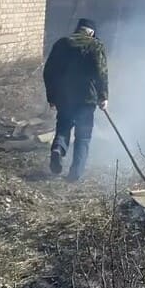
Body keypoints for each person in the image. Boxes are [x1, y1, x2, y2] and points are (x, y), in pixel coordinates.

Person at [42, 17, 109, 182]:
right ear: (91, 32)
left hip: (63, 96)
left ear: (78, 29)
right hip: (87, 99)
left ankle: (58, 149)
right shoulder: (95, 45)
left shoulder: (61, 44)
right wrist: (103, 96)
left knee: (63, 126)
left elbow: (48, 71)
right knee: (83, 136)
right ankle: (75, 173)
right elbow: (101, 73)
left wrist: (51, 96)